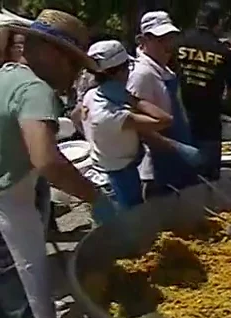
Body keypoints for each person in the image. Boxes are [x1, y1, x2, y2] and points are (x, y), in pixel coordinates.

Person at [0, 9, 118, 318]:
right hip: (7, 228)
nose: (73, 75)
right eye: (71, 62)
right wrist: (97, 198)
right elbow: (46, 159)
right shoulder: (33, 88)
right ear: (49, 52)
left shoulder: (3, 78)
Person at [83, 40, 199, 208]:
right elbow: (164, 120)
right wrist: (133, 99)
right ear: (120, 73)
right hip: (118, 178)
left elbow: (76, 116)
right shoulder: (110, 114)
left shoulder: (92, 95)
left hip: (111, 168)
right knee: (129, 227)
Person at [130, 10, 198, 194]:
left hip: (178, 161)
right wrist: (177, 148)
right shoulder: (141, 74)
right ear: (142, 40)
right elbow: (136, 125)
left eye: (170, 38)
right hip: (158, 167)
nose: (168, 45)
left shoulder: (164, 70)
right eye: (160, 40)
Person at [175, 2, 231, 180]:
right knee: (208, 182)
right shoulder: (224, 52)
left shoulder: (178, 43)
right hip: (209, 125)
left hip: (178, 122)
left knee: (181, 180)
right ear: (218, 22)